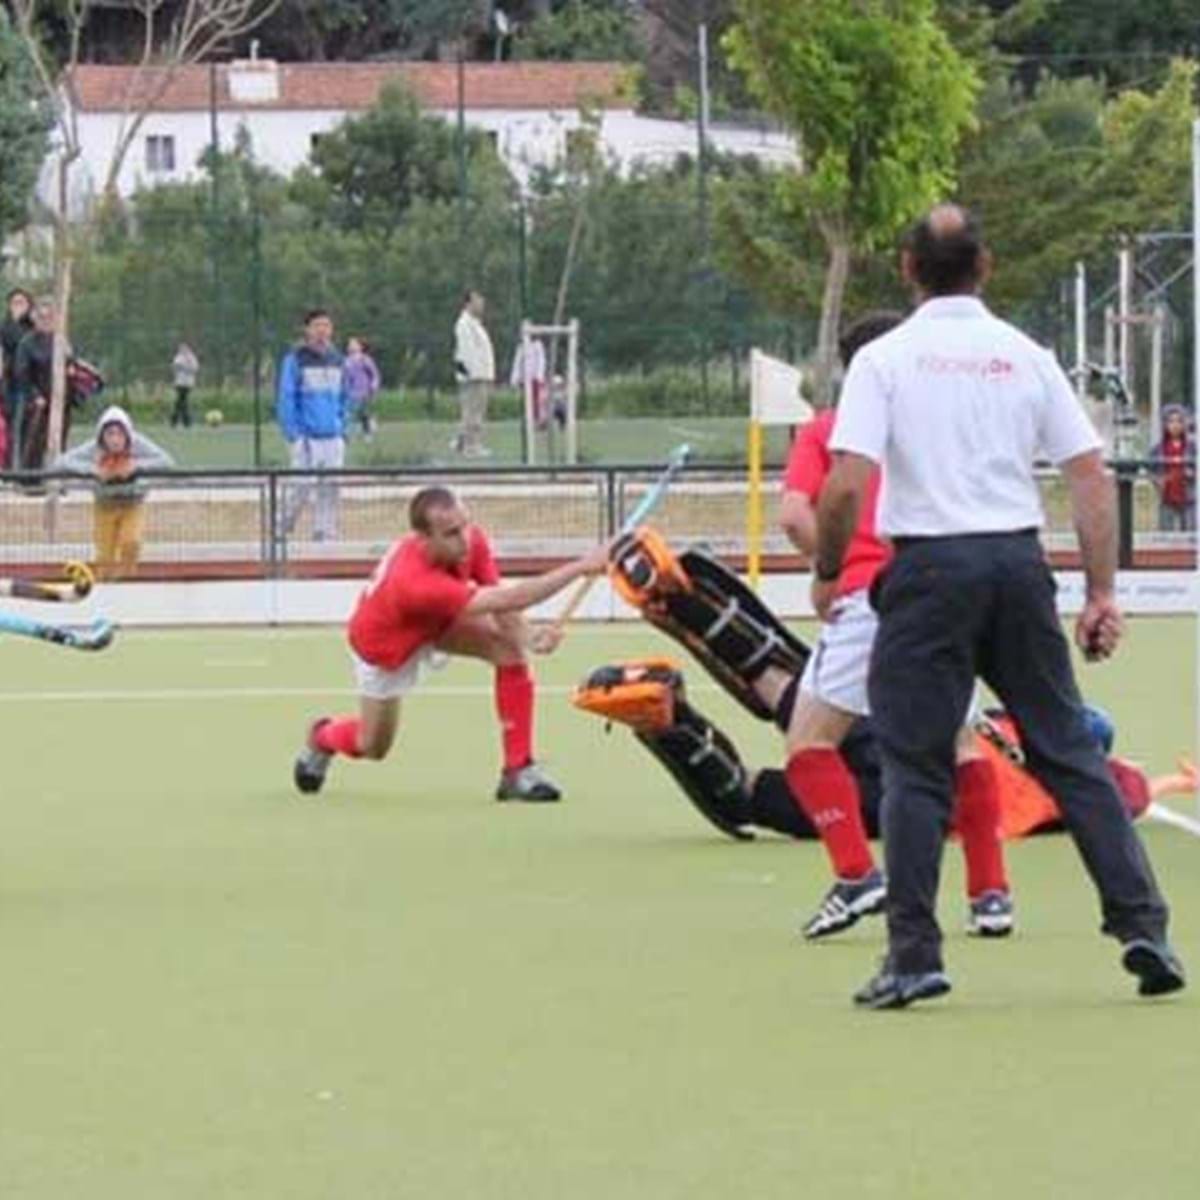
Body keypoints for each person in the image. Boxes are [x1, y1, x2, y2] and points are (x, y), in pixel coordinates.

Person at [815, 203, 1182, 1008]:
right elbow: (1088, 475)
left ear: (908, 270)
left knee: (915, 766)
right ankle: (1143, 927)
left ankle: (914, 953)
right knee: (1068, 753)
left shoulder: (886, 359)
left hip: (928, 572)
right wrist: (1102, 592)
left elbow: (846, 481)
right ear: (986, 268)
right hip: (1016, 565)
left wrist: (829, 570)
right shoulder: (1025, 355)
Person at [293, 485, 608, 801]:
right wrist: (581, 567)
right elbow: (513, 596)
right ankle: (322, 736)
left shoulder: (472, 542)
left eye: (465, 525)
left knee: (508, 651)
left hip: (437, 623)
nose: (465, 539)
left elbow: (502, 607)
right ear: (424, 538)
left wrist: (528, 637)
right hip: (385, 645)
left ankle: (517, 770)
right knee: (372, 745)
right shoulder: (414, 584)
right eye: (451, 533)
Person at [55, 404, 174, 581]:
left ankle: (126, 581)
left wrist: (136, 466)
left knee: (131, 542)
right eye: (109, 434)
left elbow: (167, 461)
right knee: (104, 556)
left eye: (119, 434)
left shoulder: (138, 444)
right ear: (102, 436)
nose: (115, 439)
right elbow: (61, 462)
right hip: (104, 506)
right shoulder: (93, 448)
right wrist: (93, 470)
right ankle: (105, 589)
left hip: (132, 505)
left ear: (128, 435)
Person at [277, 309, 347, 543]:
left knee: (331, 486)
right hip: (307, 436)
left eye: (326, 325)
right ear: (307, 330)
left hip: (333, 436)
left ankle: (324, 533)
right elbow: (287, 397)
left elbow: (345, 397)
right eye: (317, 325)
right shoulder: (295, 359)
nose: (322, 331)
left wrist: (343, 428)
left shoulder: (338, 359)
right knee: (301, 487)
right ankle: (280, 528)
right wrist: (293, 433)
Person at [14, 297, 81, 471]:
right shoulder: (27, 343)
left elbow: (71, 363)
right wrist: (34, 395)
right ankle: (30, 482)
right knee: (34, 442)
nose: (46, 320)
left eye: (50, 317)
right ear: (35, 318)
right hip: (38, 402)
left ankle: (58, 477)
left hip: (60, 401)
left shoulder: (61, 341)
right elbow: (21, 374)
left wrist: (72, 372)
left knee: (60, 441)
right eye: (42, 317)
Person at [453, 290, 495, 458]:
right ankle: (471, 446)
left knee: (475, 411)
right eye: (478, 300)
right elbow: (467, 351)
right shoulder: (464, 324)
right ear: (468, 303)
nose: (481, 304)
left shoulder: (475, 324)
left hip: (481, 374)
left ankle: (461, 442)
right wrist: (474, 373)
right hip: (474, 376)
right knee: (473, 413)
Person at [1, 288, 35, 468]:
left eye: (22, 302)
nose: (18, 307)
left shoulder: (33, 328)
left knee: (28, 430)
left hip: (29, 386)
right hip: (10, 385)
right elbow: (11, 343)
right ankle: (7, 470)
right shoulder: (5, 327)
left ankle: (27, 472)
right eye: (14, 302)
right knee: (8, 430)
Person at [1148, 404, 1194, 532]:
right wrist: (1158, 480)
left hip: (1188, 496)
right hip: (1167, 495)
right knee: (1165, 532)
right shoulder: (1158, 449)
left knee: (1191, 532)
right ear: (1165, 425)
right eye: (1171, 421)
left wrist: (1192, 474)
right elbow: (1150, 468)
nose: (1175, 425)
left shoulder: (1192, 447)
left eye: (1179, 421)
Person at [343, 336, 381, 440]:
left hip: (364, 392)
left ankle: (368, 432)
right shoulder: (346, 361)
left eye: (353, 344)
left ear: (360, 346)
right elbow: (345, 377)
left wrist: (373, 386)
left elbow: (375, 374)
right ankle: (347, 434)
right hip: (350, 392)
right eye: (349, 344)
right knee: (348, 413)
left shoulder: (365, 359)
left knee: (363, 413)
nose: (350, 346)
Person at [510, 334, 548, 429]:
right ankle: (530, 421)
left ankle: (540, 421)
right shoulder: (521, 347)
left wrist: (539, 376)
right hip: (525, 379)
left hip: (535, 379)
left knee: (538, 401)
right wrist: (515, 379)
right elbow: (517, 362)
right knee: (527, 401)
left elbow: (541, 361)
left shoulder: (537, 345)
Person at [170, 342, 199, 428]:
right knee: (182, 402)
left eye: (184, 349)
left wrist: (186, 367)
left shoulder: (192, 358)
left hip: (188, 383)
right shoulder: (178, 358)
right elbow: (175, 368)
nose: (183, 350)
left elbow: (195, 368)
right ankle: (185, 421)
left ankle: (176, 420)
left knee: (180, 402)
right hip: (180, 383)